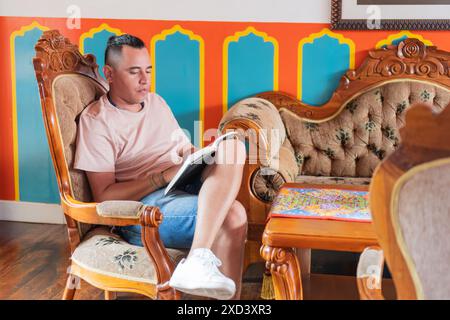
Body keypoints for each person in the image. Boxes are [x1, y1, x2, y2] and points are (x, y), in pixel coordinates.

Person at [74, 34, 247, 300]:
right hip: (143, 207)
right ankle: (202, 266)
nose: (145, 80)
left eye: (148, 70)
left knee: (233, 146)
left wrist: (196, 156)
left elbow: (180, 147)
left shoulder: (156, 103)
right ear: (109, 73)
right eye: (134, 72)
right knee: (233, 214)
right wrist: (160, 178)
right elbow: (104, 197)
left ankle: (197, 261)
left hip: (181, 180)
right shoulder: (97, 121)